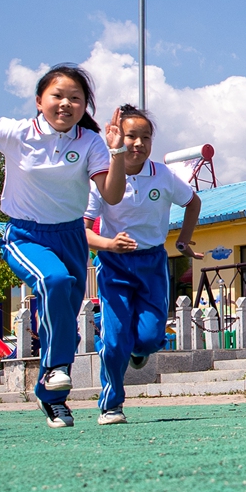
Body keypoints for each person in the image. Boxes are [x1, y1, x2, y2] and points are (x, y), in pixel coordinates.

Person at [0, 64, 126, 428]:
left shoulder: (89, 142)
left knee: (65, 308)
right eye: (57, 96)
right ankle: (55, 369)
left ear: (84, 107)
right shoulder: (16, 133)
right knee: (54, 282)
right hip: (25, 235)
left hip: (71, 237)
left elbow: (111, 194)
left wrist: (118, 152)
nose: (66, 104)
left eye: (75, 99)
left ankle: (52, 400)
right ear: (39, 101)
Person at [83, 104, 203, 425]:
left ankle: (134, 348)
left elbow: (193, 202)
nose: (138, 143)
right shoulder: (103, 178)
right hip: (114, 265)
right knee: (115, 338)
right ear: (117, 138)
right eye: (130, 136)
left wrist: (183, 240)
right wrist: (109, 244)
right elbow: (82, 230)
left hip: (152, 264)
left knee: (150, 339)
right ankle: (111, 404)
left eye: (145, 137)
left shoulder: (163, 176)